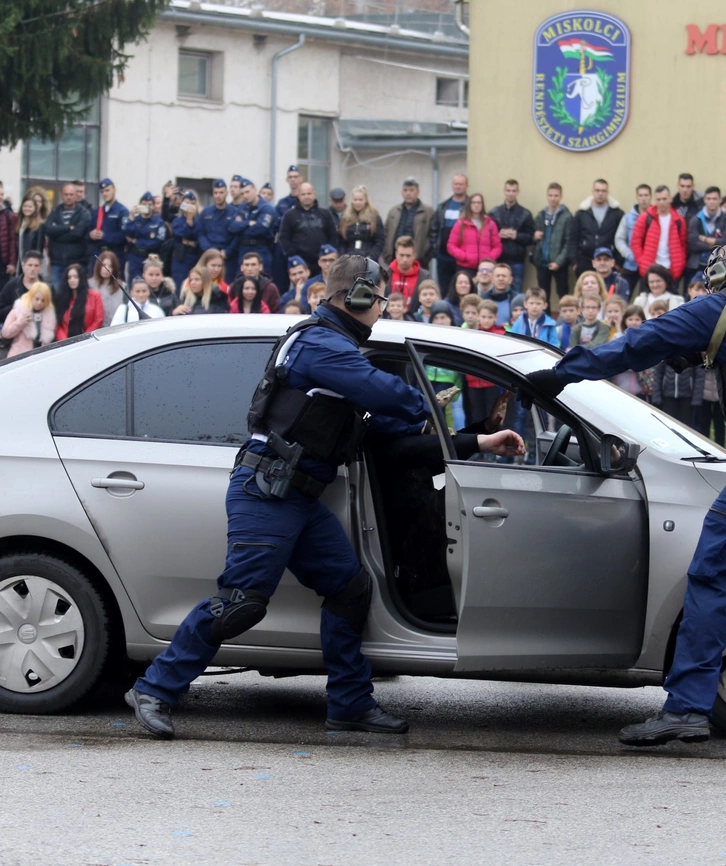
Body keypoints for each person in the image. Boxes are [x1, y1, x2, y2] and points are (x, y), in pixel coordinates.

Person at [124, 255, 526, 739]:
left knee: (349, 587)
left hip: (296, 495)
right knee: (241, 601)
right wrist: (419, 403)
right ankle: (155, 688)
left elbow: (389, 440)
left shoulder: (333, 348)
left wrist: (475, 441)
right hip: (267, 493)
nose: (381, 310)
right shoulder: (320, 345)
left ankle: (350, 704)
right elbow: (393, 399)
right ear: (356, 297)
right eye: (378, 300)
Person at [529, 242, 726, 749]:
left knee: (714, 577)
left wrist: (563, 372)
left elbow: (642, 342)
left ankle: (685, 709)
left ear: (721, 274)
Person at [277, 183, 339, 276]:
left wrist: (329, 256)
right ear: (298, 196)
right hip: (300, 263)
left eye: (309, 194)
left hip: (322, 261)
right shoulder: (290, 215)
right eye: (303, 194)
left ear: (314, 194)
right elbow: (283, 237)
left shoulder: (325, 214)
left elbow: (333, 235)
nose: (306, 197)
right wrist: (293, 256)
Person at [631, 186, 686, 288]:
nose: (661, 202)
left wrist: (680, 263)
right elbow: (635, 242)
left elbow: (683, 244)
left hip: (671, 270)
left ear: (670, 198)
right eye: (658, 199)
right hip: (650, 269)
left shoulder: (679, 220)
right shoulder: (645, 217)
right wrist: (642, 261)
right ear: (654, 199)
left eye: (664, 199)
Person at [44, 181, 93, 288]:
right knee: (58, 296)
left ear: (76, 195)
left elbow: (77, 234)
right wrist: (67, 228)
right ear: (61, 195)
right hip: (57, 263)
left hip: (77, 262)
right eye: (66, 194)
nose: (68, 197)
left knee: (76, 296)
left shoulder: (83, 213)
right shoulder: (55, 211)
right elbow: (47, 229)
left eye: (71, 194)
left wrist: (57, 232)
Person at [531, 183, 574, 302]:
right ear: (546, 196)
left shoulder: (567, 217)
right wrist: (534, 236)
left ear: (561, 196)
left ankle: (564, 317)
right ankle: (545, 319)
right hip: (542, 262)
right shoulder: (540, 215)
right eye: (550, 195)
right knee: (543, 295)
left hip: (559, 263)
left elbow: (568, 242)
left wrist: (559, 262)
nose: (553, 198)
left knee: (562, 293)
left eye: (556, 195)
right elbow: (531, 236)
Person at [572, 179, 624, 276]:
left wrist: (618, 262)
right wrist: (574, 262)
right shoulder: (582, 213)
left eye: (603, 191)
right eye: (597, 190)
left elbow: (622, 238)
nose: (600, 193)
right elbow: (573, 239)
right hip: (585, 261)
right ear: (592, 192)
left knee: (607, 291)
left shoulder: (617, 214)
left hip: (607, 262)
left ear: (607, 193)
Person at [445, 193, 501, 282]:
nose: (476, 205)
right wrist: (464, 256)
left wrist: (489, 258)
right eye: (474, 202)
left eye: (479, 203)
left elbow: (497, 246)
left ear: (482, 205)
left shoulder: (490, 224)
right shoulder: (460, 224)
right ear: (469, 205)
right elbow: (451, 246)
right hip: (465, 267)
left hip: (485, 269)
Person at [686, 187, 726, 278]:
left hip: (720, 267)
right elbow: (693, 244)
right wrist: (714, 245)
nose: (711, 201)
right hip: (696, 266)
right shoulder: (696, 219)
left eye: (714, 199)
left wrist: (704, 239)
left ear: (720, 200)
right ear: (704, 200)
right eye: (709, 199)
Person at [490, 179, 535, 287]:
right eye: (508, 190)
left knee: (516, 291)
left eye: (513, 191)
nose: (510, 194)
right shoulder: (494, 212)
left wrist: (516, 236)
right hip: (498, 259)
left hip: (517, 261)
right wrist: (498, 235)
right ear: (504, 191)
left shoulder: (525, 213)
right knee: (497, 291)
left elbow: (531, 238)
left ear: (517, 192)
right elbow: (486, 236)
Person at [231, 179, 277, 279]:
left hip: (260, 248)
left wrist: (241, 226)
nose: (245, 196)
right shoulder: (242, 207)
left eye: (247, 192)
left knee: (262, 282)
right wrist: (248, 223)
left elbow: (259, 229)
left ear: (255, 190)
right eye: (243, 193)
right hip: (244, 249)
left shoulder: (266, 208)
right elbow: (232, 227)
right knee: (241, 281)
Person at [383, 178, 434, 268]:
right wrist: (387, 254)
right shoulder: (394, 212)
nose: (408, 193)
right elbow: (385, 234)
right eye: (405, 190)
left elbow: (433, 237)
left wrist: (425, 257)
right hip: (394, 260)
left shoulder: (428, 212)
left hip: (419, 262)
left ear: (418, 192)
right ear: (402, 192)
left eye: (411, 190)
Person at [431, 173, 469, 284]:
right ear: (452, 185)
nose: (458, 186)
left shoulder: (470, 207)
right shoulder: (443, 206)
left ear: (466, 186)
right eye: (456, 184)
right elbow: (434, 229)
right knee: (444, 287)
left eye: (461, 184)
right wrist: (435, 250)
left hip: (463, 257)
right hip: (443, 256)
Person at [2, 281, 57, 355]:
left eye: (43, 300)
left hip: (40, 357)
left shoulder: (49, 314)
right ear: (31, 297)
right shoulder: (19, 309)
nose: (39, 303)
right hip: (19, 356)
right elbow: (5, 333)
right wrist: (20, 322)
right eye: (37, 299)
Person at [122, 192, 167, 282]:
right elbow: (127, 233)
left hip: (150, 257)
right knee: (135, 283)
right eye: (144, 204)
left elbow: (158, 242)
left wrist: (137, 242)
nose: (147, 206)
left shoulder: (158, 222)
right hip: (135, 257)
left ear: (153, 206)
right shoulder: (135, 220)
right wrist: (131, 216)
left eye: (149, 204)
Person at [615, 184, 652, 292]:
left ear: (651, 196)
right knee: (622, 294)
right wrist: (628, 254)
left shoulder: (656, 216)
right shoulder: (628, 217)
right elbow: (619, 239)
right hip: (631, 264)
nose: (643, 199)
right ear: (636, 197)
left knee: (645, 296)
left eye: (646, 195)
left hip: (649, 266)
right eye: (640, 195)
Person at [54, 263, 104, 339]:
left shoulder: (95, 296)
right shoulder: (62, 298)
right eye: (69, 277)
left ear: (81, 278)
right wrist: (64, 341)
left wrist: (85, 338)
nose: (72, 280)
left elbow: (98, 320)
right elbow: (58, 324)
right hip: (66, 343)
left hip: (88, 340)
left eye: (75, 277)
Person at [0, 251, 45, 326]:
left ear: (40, 267)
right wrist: (16, 307)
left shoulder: (47, 288)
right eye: (30, 265)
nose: (32, 269)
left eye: (36, 266)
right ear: (23, 265)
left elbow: (54, 313)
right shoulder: (11, 286)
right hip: (16, 328)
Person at [336, 186, 383, 261]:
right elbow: (341, 241)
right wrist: (343, 257)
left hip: (368, 258)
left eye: (360, 200)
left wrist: (371, 257)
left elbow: (379, 241)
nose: (358, 202)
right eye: (355, 200)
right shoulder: (345, 218)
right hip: (349, 259)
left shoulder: (374, 217)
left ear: (366, 200)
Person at [88, 178, 128, 260]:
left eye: (107, 190)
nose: (104, 194)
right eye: (102, 192)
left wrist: (105, 236)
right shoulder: (98, 211)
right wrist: (91, 234)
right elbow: (88, 230)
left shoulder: (122, 211)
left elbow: (124, 236)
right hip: (98, 254)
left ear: (114, 190)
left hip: (115, 254)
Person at [170, 191, 201, 287]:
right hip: (182, 258)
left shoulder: (200, 221)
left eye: (192, 203)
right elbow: (182, 234)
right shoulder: (177, 221)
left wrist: (190, 241)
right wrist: (189, 220)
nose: (189, 206)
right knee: (180, 286)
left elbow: (199, 235)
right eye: (187, 203)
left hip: (197, 257)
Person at [15, 189, 47, 270]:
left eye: (30, 207)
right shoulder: (19, 223)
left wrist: (34, 264)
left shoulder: (39, 225)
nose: (27, 209)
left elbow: (38, 248)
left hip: (31, 264)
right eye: (25, 206)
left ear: (34, 208)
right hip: (19, 262)